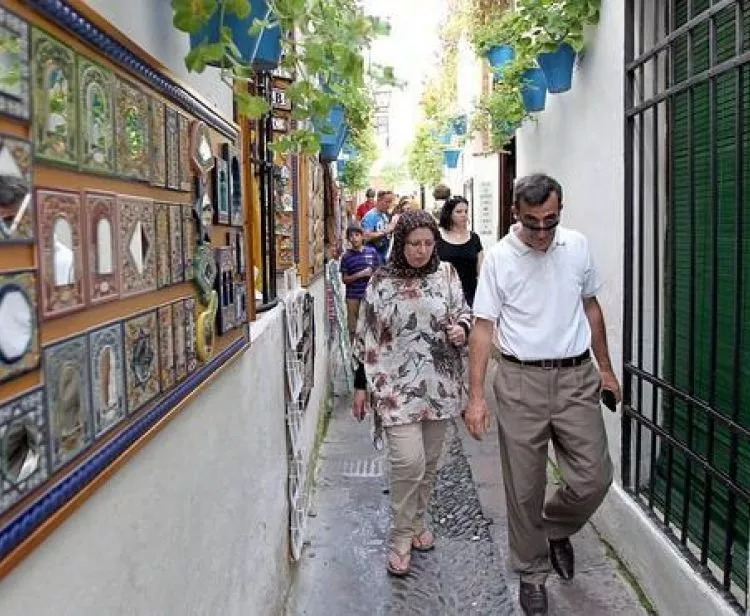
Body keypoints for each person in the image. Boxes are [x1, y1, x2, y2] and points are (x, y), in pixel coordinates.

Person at [464, 174, 620, 616]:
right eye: (532, 223)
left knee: (594, 477)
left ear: (560, 211)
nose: (542, 233)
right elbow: (482, 328)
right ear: (516, 215)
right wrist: (476, 397)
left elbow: (590, 306)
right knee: (524, 487)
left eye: (550, 221)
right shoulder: (498, 259)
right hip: (518, 382)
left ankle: (553, 529)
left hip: (575, 379)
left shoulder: (577, 247)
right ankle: (532, 573)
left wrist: (605, 369)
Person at [352, 210, 472, 577]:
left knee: (430, 463)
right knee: (409, 462)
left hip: (439, 385)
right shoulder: (381, 281)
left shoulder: (447, 275)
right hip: (392, 386)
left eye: (427, 243)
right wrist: (361, 386)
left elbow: (463, 313)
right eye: (413, 244)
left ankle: (417, 522)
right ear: (400, 244)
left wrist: (461, 331)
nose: (421, 251)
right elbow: (366, 334)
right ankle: (402, 536)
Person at [437, 195, 484, 307]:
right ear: (449, 214)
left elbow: (481, 269)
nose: (463, 215)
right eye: (458, 211)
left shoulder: (474, 238)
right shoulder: (437, 236)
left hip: (470, 293)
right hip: (444, 293)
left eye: (466, 211)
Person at [339, 223, 380, 341]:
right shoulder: (346, 257)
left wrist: (373, 276)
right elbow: (344, 279)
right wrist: (360, 274)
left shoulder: (372, 252)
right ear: (348, 239)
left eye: (357, 235)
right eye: (351, 236)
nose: (354, 238)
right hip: (353, 297)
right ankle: (353, 354)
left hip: (370, 296)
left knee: (370, 325)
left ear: (362, 236)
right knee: (353, 327)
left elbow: (379, 272)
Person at [361, 190, 395, 264]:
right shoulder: (371, 216)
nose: (389, 205)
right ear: (379, 201)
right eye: (387, 202)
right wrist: (384, 232)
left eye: (390, 202)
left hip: (383, 254)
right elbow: (365, 236)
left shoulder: (385, 215)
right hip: (373, 255)